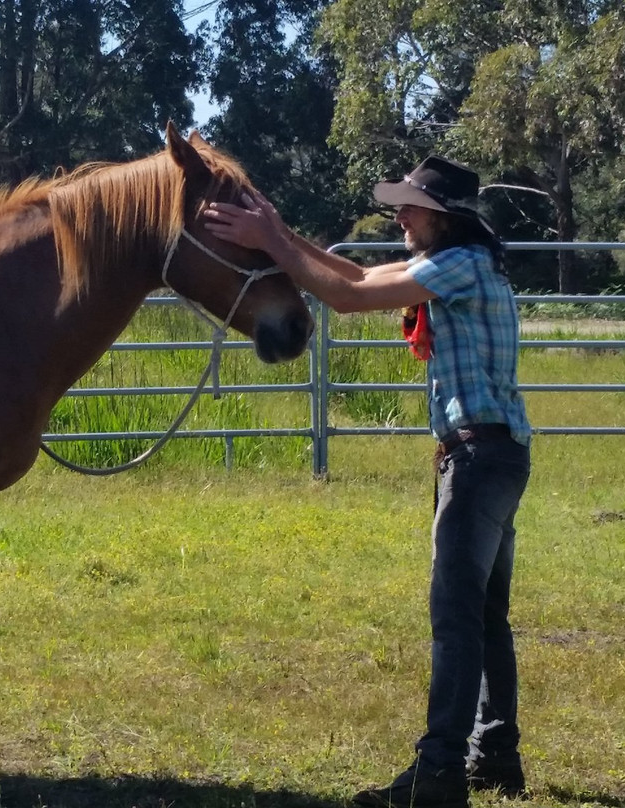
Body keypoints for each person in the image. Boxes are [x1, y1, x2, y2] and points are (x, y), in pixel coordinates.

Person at [203, 156, 531, 808]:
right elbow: (353, 272)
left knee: (457, 619)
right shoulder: (459, 263)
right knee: (484, 614)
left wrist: (271, 242)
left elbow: (347, 298)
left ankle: (439, 774)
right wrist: (275, 228)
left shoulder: (456, 266)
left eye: (409, 206)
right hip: (491, 456)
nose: (399, 216)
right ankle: (494, 756)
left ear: (442, 216)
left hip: (477, 462)